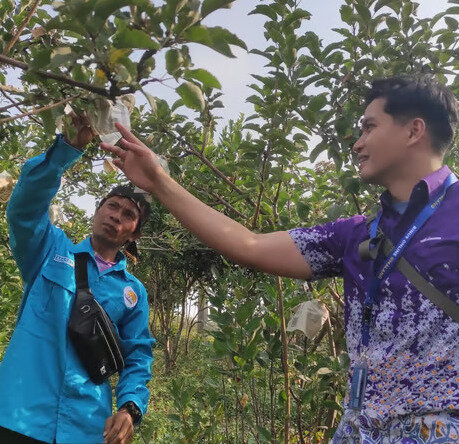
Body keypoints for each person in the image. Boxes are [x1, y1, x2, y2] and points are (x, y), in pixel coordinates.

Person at [101, 75, 458, 442]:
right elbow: (250, 245)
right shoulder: (358, 234)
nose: (358, 143)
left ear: (414, 131)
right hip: (361, 428)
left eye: (369, 127)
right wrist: (158, 182)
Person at [0, 115, 154, 444]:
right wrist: (67, 148)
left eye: (128, 215)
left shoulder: (133, 293)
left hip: (85, 427)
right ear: (98, 211)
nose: (116, 215)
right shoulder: (49, 250)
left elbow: (138, 354)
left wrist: (130, 407)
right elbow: (23, 211)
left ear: (134, 234)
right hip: (19, 413)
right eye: (112, 206)